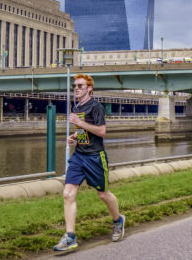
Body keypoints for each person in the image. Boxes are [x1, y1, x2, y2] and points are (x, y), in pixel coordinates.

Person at [53, 74, 125, 252]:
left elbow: (101, 131)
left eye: (80, 86)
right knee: (68, 194)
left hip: (95, 157)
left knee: (103, 194)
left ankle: (118, 220)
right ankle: (70, 236)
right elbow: (83, 130)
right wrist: (74, 137)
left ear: (89, 88)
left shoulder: (96, 106)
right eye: (75, 85)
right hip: (79, 156)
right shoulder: (76, 105)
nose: (76, 88)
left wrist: (79, 123)